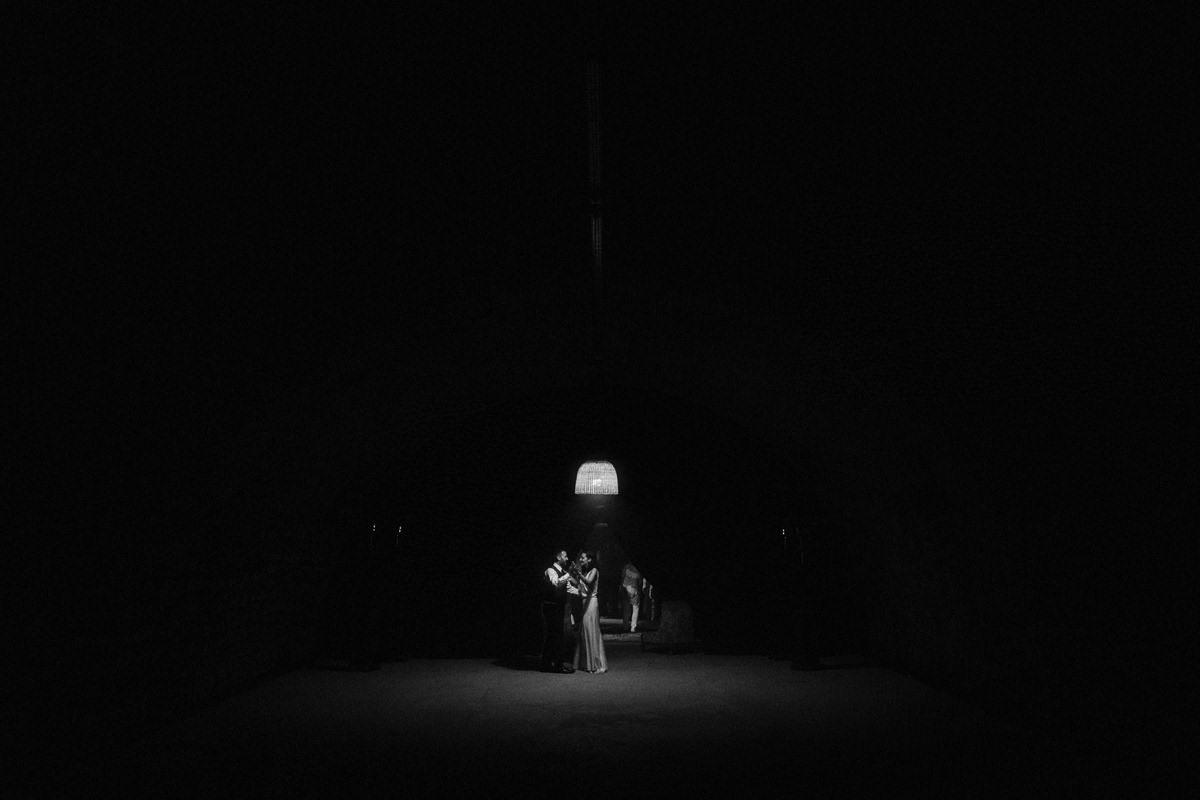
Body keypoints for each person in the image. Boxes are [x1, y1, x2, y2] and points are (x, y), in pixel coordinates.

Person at [572, 551, 608, 673]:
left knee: (591, 630)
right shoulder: (584, 571)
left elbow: (588, 582)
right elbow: (578, 584)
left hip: (591, 603)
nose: (581, 560)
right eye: (580, 558)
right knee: (584, 632)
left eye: (583, 558)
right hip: (584, 602)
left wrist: (578, 573)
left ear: (589, 559)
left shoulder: (594, 571)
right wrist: (568, 575)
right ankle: (586, 663)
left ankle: (595, 664)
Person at [541, 550, 576, 673]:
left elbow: (573, 585)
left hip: (558, 606)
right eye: (565, 556)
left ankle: (550, 663)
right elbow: (556, 584)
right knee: (555, 635)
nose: (567, 558)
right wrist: (569, 574)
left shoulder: (563, 572)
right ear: (558, 557)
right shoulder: (550, 570)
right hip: (551, 606)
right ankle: (555, 664)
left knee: (555, 635)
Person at [621, 562, 643, 633]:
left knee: (626, 609)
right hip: (634, 588)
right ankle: (633, 627)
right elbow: (640, 581)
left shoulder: (626, 567)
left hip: (626, 587)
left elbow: (622, 576)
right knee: (635, 608)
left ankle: (625, 626)